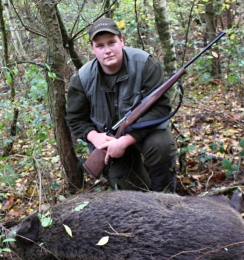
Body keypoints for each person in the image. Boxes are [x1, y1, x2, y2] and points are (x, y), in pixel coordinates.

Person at [66, 17, 178, 191]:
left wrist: (125, 141)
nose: (107, 50)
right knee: (132, 193)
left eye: (112, 43)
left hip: (144, 133)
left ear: (122, 41)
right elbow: (75, 118)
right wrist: (95, 137)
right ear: (93, 49)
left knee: (161, 145)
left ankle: (166, 195)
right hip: (108, 142)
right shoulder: (82, 79)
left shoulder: (146, 64)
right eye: (100, 46)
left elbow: (161, 108)